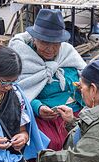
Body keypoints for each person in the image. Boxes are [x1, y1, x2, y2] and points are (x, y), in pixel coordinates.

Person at [9, 9, 87, 151]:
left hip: (75, 111)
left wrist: (83, 86)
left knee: (88, 140)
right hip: (43, 116)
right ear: (34, 38)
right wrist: (37, 107)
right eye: (45, 42)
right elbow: (17, 91)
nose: (50, 49)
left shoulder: (67, 52)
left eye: (56, 43)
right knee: (52, 144)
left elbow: (85, 76)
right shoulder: (23, 57)